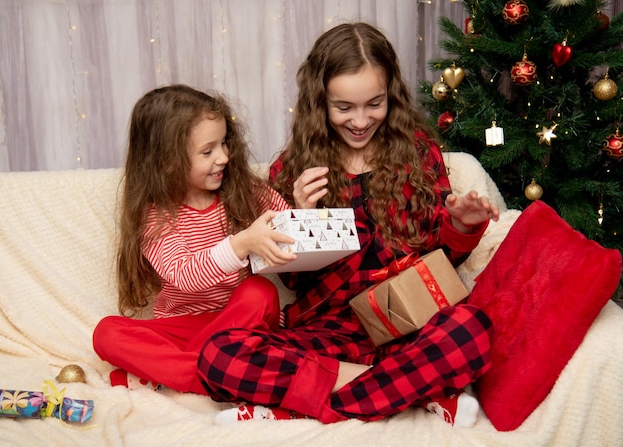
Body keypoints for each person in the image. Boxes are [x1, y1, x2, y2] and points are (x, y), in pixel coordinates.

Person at [197, 23, 499, 427]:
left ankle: (295, 408)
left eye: (374, 103)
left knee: (470, 330)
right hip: (330, 337)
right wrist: (301, 220)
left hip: (409, 329)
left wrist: (462, 225)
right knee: (219, 355)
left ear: (391, 94)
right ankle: (406, 392)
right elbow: (292, 284)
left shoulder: (419, 153)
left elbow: (444, 263)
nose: (360, 120)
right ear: (319, 102)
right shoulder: (291, 169)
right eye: (344, 108)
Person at [93, 84, 296, 394]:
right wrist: (241, 243)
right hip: (184, 327)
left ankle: (180, 374)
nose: (224, 157)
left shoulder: (243, 190)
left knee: (260, 292)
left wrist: (304, 209)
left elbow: (288, 229)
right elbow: (184, 276)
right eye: (208, 151)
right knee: (106, 333)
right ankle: (217, 375)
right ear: (167, 161)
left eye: (224, 144)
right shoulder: (157, 216)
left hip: (237, 323)